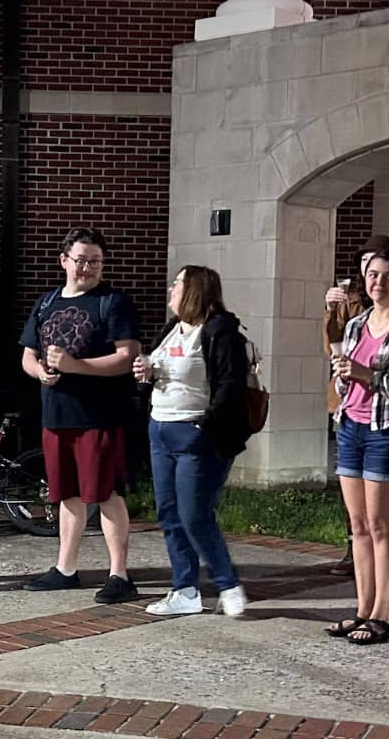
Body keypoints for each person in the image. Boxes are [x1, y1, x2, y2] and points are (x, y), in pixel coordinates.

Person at [19, 227, 142, 603]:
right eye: (81, 260)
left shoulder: (113, 302)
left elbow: (127, 356)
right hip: (56, 415)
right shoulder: (47, 302)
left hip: (99, 415)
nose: (87, 268)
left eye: (95, 261)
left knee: (105, 493)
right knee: (66, 494)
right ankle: (65, 569)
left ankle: (119, 575)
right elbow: (26, 354)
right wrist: (42, 372)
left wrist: (75, 366)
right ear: (64, 261)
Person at [134, 265, 251, 617]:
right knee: (169, 514)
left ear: (196, 291)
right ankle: (185, 590)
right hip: (160, 429)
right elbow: (160, 373)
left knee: (194, 514)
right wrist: (147, 373)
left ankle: (227, 584)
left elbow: (231, 384)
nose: (171, 289)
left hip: (195, 433)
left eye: (178, 284)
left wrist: (206, 423)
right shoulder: (172, 330)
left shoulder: (220, 331)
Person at [325, 246, 389, 646]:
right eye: (373, 275)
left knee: (382, 525)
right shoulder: (356, 325)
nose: (379, 282)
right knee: (358, 526)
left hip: (388, 430)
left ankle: (382, 614)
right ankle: (362, 610)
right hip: (350, 425)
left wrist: (369, 375)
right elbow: (344, 379)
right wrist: (344, 377)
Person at [321, 235, 389, 577]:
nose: (372, 274)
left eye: (378, 266)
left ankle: (378, 565)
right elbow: (334, 348)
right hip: (349, 407)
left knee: (379, 506)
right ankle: (354, 548)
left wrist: (367, 374)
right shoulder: (350, 306)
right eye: (366, 266)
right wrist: (329, 306)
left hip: (384, 415)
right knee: (349, 490)